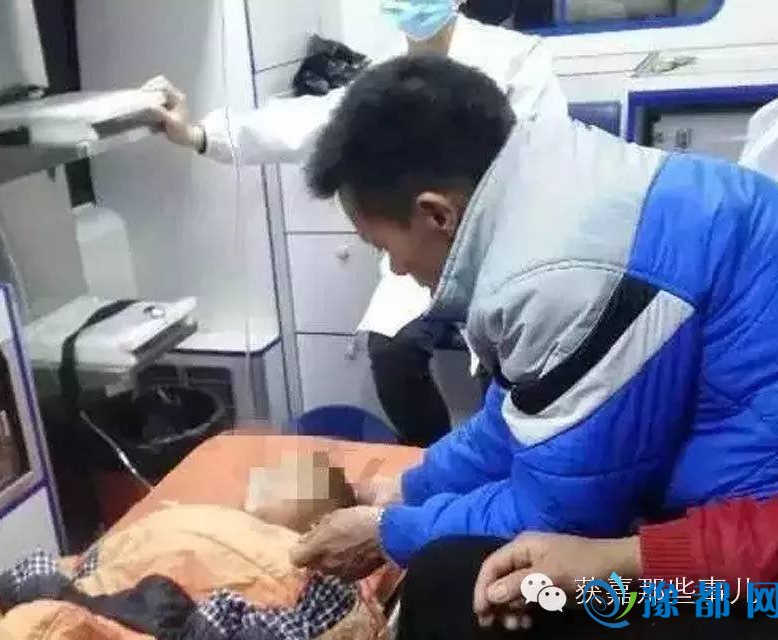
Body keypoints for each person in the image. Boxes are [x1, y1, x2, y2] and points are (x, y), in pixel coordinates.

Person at [288, 54, 778, 585]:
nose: (396, 268)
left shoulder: (557, 276)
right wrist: (411, 488)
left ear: (437, 214)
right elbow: (518, 418)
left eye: (384, 246)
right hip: (740, 463)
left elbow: (559, 518)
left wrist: (390, 533)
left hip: (759, 536)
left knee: (456, 585)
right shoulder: (548, 171)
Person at [146, 0, 568, 447]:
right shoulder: (385, 75)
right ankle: (427, 453)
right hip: (424, 247)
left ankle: (496, 457)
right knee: (390, 351)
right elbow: (307, 121)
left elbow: (542, 158)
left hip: (497, 249)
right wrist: (198, 135)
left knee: (501, 362)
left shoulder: (518, 58)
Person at [389, 497, 778, 639]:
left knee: (449, 583)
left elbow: (573, 489)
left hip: (760, 595)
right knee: (447, 578)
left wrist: (390, 526)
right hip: (746, 573)